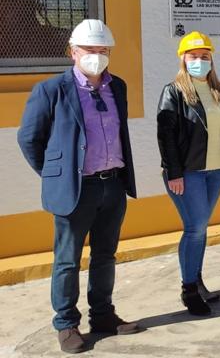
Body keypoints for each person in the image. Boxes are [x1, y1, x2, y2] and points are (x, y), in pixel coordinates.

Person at [18, 20, 141, 352]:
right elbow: (29, 138)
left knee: (105, 255)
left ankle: (102, 314)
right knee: (68, 259)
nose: (96, 56)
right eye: (89, 50)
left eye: (103, 51)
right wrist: (56, 176)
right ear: (73, 52)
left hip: (113, 185)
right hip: (77, 189)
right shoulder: (51, 90)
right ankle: (66, 324)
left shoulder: (118, 87)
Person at [156, 31, 220, 317]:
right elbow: (165, 135)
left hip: (215, 171)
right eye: (193, 57)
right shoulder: (174, 91)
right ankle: (188, 289)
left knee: (201, 229)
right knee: (195, 228)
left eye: (204, 57)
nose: (199, 61)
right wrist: (173, 172)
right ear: (183, 58)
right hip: (187, 173)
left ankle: (197, 280)